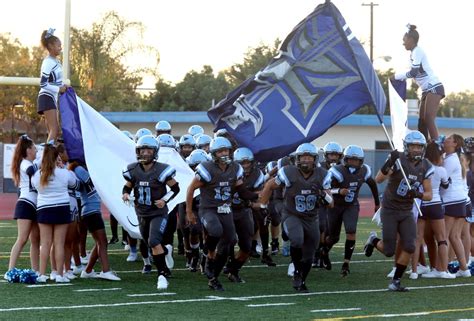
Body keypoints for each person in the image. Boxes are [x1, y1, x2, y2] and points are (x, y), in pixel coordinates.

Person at [185, 137, 259, 291]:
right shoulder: (207, 168)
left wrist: (257, 196)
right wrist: (189, 212)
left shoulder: (235, 168)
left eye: (226, 150)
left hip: (226, 209)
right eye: (220, 151)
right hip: (209, 209)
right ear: (213, 153)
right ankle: (207, 254)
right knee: (215, 231)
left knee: (230, 242)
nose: (224, 153)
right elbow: (191, 189)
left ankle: (214, 278)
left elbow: (241, 190)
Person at [364, 131, 434, 292]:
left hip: (407, 210)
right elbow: (378, 179)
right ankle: (374, 240)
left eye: (419, 146)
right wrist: (389, 162)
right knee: (389, 250)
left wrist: (417, 194)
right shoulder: (398, 160)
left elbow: (429, 195)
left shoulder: (426, 166)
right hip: (389, 209)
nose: (416, 149)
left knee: (410, 246)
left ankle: (396, 281)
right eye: (413, 146)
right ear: (406, 146)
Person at [260, 143, 334, 292]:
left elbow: (331, 204)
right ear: (297, 158)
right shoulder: (288, 172)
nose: (305, 160)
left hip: (311, 218)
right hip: (291, 214)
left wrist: (322, 194)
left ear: (314, 159)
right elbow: (269, 185)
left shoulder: (323, 174)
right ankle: (295, 268)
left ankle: (301, 278)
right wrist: (263, 206)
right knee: (297, 239)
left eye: (308, 157)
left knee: (309, 255)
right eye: (303, 157)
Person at [122, 135, 179, 290]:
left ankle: (161, 274)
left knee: (154, 241)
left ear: (155, 152)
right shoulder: (133, 169)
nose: (145, 153)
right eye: (142, 149)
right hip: (141, 212)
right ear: (138, 151)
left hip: (158, 212)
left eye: (148, 150)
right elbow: (127, 186)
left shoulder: (161, 169)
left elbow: (175, 188)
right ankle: (166, 252)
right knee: (149, 242)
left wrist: (164, 200)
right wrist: (125, 194)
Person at [323, 145, 380, 277]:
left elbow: (372, 184)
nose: (353, 163)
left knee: (351, 231)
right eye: (351, 160)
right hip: (335, 206)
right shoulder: (336, 171)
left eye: (356, 160)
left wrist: (377, 203)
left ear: (361, 161)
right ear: (345, 159)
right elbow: (325, 189)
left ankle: (346, 263)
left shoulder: (364, 171)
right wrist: (338, 191)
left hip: (351, 205)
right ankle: (323, 252)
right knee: (333, 238)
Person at [32, 144, 78, 283]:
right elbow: (75, 183)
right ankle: (59, 274)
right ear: (56, 157)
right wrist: (62, 166)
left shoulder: (38, 175)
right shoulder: (64, 172)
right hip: (61, 208)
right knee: (59, 243)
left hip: (44, 209)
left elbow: (35, 187)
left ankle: (41, 274)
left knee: (45, 243)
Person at [71, 161, 120, 281]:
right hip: (90, 211)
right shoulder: (78, 169)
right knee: (102, 242)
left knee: (100, 242)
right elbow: (92, 182)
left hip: (92, 210)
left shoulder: (82, 169)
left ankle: (88, 271)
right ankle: (105, 271)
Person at [394, 24, 444, 141]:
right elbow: (410, 72)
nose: (403, 43)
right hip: (426, 90)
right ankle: (424, 145)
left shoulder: (418, 51)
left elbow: (414, 72)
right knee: (421, 120)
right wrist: (398, 77)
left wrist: (396, 76)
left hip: (434, 87)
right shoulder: (413, 54)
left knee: (428, 117)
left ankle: (437, 145)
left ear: (411, 40)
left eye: (404, 40)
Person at [226, 147, 265, 283]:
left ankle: (234, 270)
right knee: (227, 241)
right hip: (227, 210)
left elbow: (259, 198)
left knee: (247, 246)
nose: (246, 166)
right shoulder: (227, 171)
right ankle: (212, 267)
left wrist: (254, 204)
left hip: (243, 211)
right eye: (242, 163)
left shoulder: (257, 175)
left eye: (248, 162)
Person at [4, 135, 40, 278]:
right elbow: (32, 171)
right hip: (26, 204)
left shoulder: (31, 161)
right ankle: (10, 270)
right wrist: (41, 163)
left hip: (35, 204)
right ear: (28, 150)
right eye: (34, 148)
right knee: (22, 238)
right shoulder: (24, 163)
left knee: (36, 239)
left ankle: (36, 270)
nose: (36, 150)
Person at [418, 142, 455, 279]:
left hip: (421, 204)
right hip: (435, 205)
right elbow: (445, 186)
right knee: (441, 239)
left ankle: (416, 270)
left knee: (420, 239)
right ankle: (442, 270)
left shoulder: (421, 167)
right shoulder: (441, 170)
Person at [441, 134, 471, 277]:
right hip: (461, 200)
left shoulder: (451, 160)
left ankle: (443, 269)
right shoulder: (453, 158)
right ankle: (464, 269)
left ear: (455, 144)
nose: (445, 140)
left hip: (452, 200)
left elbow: (442, 178)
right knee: (455, 236)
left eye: (448, 139)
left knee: (445, 236)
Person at [38, 28, 68, 143]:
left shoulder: (56, 61)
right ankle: (47, 159)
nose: (60, 48)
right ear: (50, 46)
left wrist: (64, 86)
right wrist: (58, 89)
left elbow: (56, 80)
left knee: (53, 131)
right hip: (46, 97)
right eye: (58, 46)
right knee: (54, 130)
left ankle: (48, 158)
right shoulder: (48, 62)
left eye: (60, 45)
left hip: (51, 98)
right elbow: (43, 83)